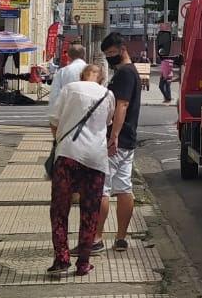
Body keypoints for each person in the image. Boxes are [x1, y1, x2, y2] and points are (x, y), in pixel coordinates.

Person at [47, 62, 115, 276]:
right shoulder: (107, 94)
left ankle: (61, 260)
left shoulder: (69, 89)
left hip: (67, 156)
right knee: (89, 211)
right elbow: (108, 121)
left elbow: (54, 122)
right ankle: (83, 264)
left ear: (81, 75)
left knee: (60, 209)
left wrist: (59, 141)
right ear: (102, 77)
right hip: (95, 158)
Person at [92, 32, 143, 253]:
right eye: (107, 55)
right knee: (123, 187)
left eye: (112, 53)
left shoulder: (124, 74)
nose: (110, 58)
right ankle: (121, 238)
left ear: (123, 49)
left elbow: (121, 106)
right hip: (128, 139)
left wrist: (113, 137)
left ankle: (96, 238)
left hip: (117, 140)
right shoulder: (131, 72)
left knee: (102, 189)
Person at [47, 43, 88, 117]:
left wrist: (54, 115)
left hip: (67, 111)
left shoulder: (63, 71)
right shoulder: (91, 70)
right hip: (87, 110)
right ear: (84, 56)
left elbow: (55, 94)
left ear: (68, 56)